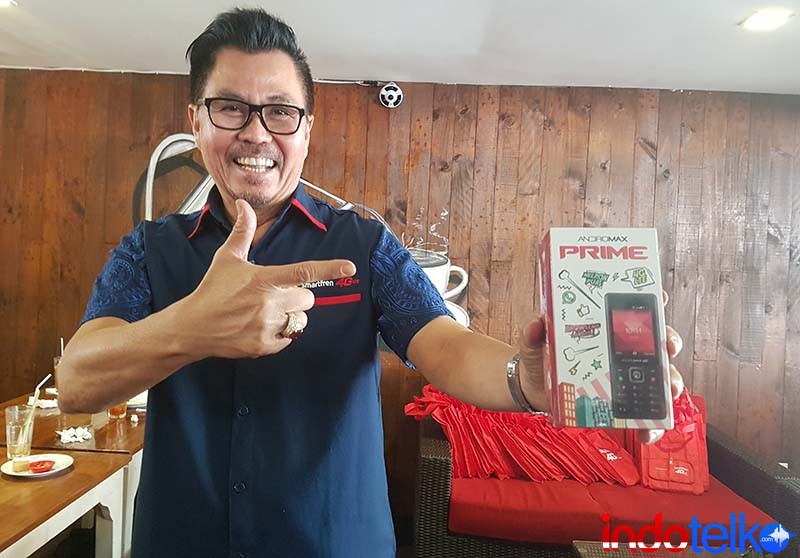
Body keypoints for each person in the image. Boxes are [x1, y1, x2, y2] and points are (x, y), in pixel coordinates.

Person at [57, 8, 684, 558]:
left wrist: (527, 379)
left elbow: (443, 343)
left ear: (306, 129)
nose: (256, 132)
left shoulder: (363, 244)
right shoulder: (148, 251)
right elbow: (77, 383)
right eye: (231, 108)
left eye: (280, 112)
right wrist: (192, 328)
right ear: (196, 121)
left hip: (333, 542)